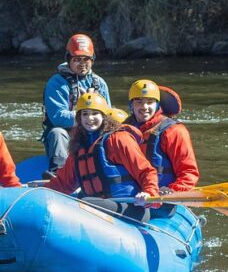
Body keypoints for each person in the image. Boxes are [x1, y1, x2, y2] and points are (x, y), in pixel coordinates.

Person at [45, 92, 160, 222]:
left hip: (130, 208)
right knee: (80, 200)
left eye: (95, 113)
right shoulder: (79, 148)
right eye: (85, 114)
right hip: (97, 207)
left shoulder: (118, 139)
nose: (90, 118)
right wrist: (40, 194)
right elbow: (63, 183)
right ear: (79, 118)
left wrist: (149, 192)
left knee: (83, 202)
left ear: (104, 116)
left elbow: (146, 171)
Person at [42, 33, 110, 178]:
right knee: (57, 133)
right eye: (77, 59)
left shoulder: (100, 83)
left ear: (92, 60)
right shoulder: (56, 83)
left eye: (86, 59)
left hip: (94, 133)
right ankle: (58, 173)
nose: (82, 63)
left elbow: (108, 116)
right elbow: (58, 118)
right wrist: (86, 114)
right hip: (67, 136)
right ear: (68, 59)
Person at [126, 79, 200, 192]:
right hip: (132, 196)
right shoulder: (123, 130)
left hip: (163, 197)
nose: (144, 107)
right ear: (131, 104)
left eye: (150, 102)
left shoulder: (174, 131)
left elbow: (188, 172)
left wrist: (173, 192)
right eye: (139, 101)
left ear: (157, 105)